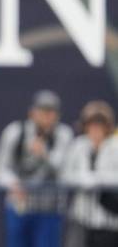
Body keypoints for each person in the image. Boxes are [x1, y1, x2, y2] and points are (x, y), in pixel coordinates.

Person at [0, 90, 73, 247]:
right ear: (32, 112)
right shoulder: (15, 132)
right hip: (19, 206)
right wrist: (14, 184)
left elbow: (65, 171)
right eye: (43, 111)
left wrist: (45, 154)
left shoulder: (63, 134)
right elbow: (1, 169)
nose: (47, 116)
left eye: (51, 112)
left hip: (50, 208)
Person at [61, 100, 118, 247]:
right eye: (92, 124)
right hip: (81, 217)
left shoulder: (115, 145)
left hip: (109, 220)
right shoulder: (78, 145)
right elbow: (65, 175)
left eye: (100, 124)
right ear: (85, 126)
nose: (96, 129)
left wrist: (97, 179)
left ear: (107, 126)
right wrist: (82, 179)